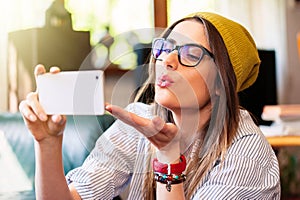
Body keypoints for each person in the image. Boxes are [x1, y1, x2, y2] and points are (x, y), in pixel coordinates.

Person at [19, 12, 281, 199]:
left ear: (221, 82)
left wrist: (169, 158)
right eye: (165, 48)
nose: (167, 60)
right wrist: (48, 143)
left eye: (190, 54)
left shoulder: (247, 154)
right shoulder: (139, 124)